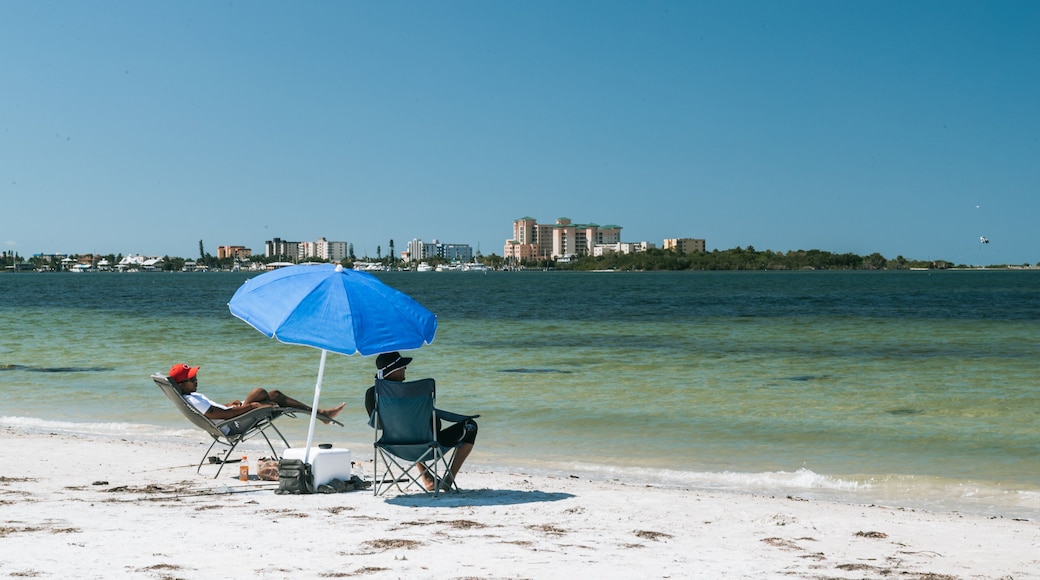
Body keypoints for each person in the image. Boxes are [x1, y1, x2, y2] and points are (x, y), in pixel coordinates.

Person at [365, 352, 478, 491]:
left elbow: (378, 425)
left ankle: (426, 477)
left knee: (409, 428)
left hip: (393, 446)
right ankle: (447, 480)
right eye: (402, 367)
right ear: (393, 372)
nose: (405, 369)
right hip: (428, 447)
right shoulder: (412, 393)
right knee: (471, 426)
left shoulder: (372, 394)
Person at [169, 363, 345, 428]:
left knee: (273, 394)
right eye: (192, 379)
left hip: (232, 416)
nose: (196, 380)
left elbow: (215, 410)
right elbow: (221, 416)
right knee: (260, 393)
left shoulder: (192, 397)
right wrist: (252, 407)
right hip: (234, 424)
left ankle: (322, 414)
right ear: (181, 385)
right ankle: (322, 415)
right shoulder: (191, 399)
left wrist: (229, 403)